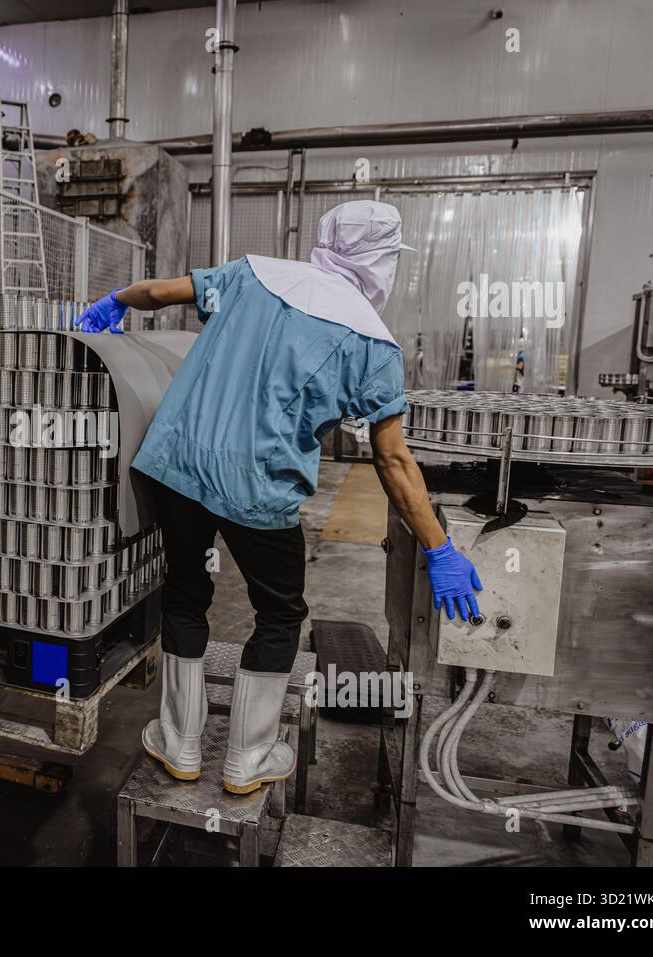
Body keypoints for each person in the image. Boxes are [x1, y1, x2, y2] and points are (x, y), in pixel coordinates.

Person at [72, 200, 483, 794]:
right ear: (382, 261)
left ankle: (180, 745)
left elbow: (159, 292)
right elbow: (392, 458)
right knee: (280, 614)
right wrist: (439, 548)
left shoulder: (254, 273)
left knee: (185, 596)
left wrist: (113, 302)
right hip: (257, 488)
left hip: (178, 464)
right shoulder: (373, 343)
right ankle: (248, 759)